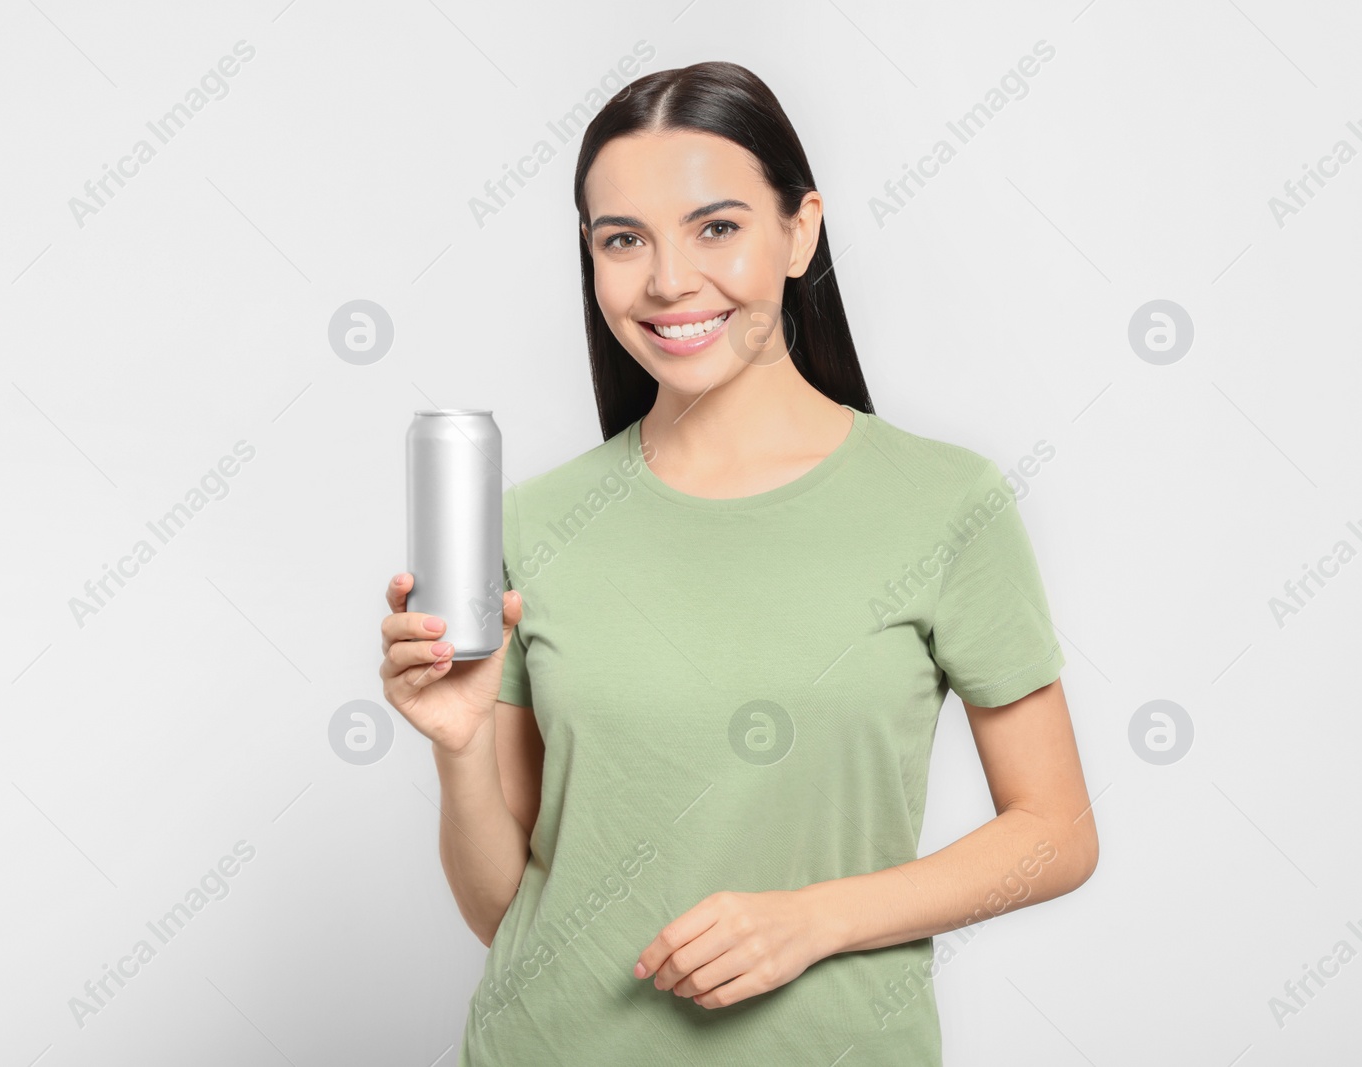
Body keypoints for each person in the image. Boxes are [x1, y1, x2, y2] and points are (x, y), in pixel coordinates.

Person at [379, 59, 1098, 1067]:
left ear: (799, 231)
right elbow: (509, 909)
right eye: (622, 240)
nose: (669, 279)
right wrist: (456, 750)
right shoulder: (534, 524)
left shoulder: (945, 505)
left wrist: (816, 918)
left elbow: (1056, 830)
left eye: (715, 226)